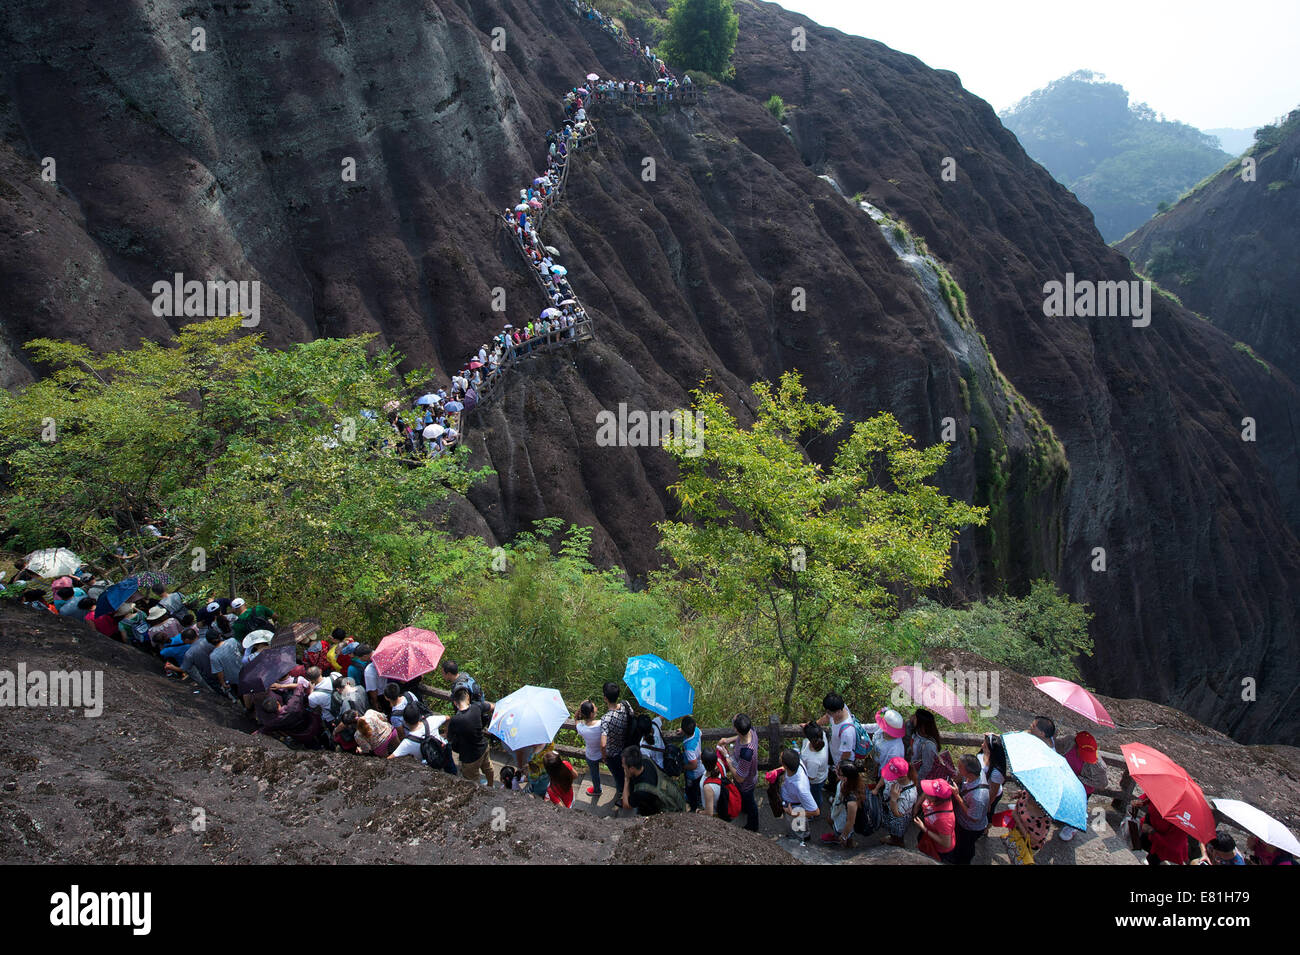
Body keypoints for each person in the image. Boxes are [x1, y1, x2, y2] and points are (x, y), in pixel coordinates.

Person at [944, 755, 990, 864]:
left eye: (960, 767)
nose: (957, 768)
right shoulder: (979, 773)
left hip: (970, 827)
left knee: (965, 847)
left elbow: (973, 817)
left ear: (969, 773)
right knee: (960, 843)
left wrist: (957, 795)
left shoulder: (978, 797)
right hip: (962, 820)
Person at [447, 685, 495, 786]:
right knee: (488, 768)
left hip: (469, 756)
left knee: (472, 780)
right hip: (483, 746)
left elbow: (450, 738)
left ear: (455, 703)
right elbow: (492, 707)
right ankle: (491, 785)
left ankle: (478, 794)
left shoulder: (455, 720)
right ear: (468, 698)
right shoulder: (477, 707)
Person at [719, 713, 760, 832]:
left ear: (736, 729)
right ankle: (744, 808)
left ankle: (753, 826)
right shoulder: (750, 730)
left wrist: (726, 756)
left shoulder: (747, 752)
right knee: (746, 800)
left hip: (746, 783)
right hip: (751, 775)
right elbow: (740, 736)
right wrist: (728, 740)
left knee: (750, 803)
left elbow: (740, 777)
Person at [823, 760, 878, 848]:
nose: (835, 771)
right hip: (838, 811)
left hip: (842, 821)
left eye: (838, 771)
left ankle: (847, 842)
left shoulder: (852, 800)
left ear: (845, 778)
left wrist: (844, 836)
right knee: (831, 821)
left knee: (841, 833)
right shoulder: (845, 783)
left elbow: (850, 822)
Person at [1132, 793, 1188, 865]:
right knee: (1140, 846)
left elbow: (1171, 843)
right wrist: (1142, 801)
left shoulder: (1181, 820)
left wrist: (1151, 831)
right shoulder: (1165, 792)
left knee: (1153, 859)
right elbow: (1152, 794)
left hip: (1166, 843)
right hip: (1151, 827)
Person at [774, 748, 820, 837]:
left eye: (781, 757)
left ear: (786, 766)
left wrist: (794, 813)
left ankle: (800, 840)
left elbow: (816, 811)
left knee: (797, 830)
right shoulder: (797, 763)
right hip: (790, 802)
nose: (780, 756)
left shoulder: (800, 787)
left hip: (795, 808)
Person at [600, 682, 633, 799]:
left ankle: (622, 794)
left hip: (613, 754)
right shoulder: (626, 705)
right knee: (626, 772)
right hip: (625, 747)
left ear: (605, 698)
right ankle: (627, 789)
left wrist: (604, 756)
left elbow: (603, 744)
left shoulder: (606, 719)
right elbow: (632, 716)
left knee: (618, 776)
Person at [878, 756, 917, 846]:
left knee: (896, 833)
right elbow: (884, 777)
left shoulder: (910, 794)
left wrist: (893, 799)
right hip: (888, 809)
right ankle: (892, 837)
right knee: (890, 828)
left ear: (902, 777)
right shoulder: (896, 776)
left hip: (898, 817)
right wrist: (877, 788)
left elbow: (897, 814)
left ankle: (896, 841)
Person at [916, 778, 958, 861]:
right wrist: (917, 805)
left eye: (929, 793)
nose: (925, 793)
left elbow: (946, 843)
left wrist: (924, 829)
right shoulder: (941, 798)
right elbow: (926, 792)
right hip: (929, 835)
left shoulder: (944, 820)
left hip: (938, 849)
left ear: (936, 799)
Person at [574, 700, 607, 800]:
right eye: (594, 707)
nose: (596, 707)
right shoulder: (602, 723)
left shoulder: (581, 728)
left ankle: (597, 790)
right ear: (592, 713)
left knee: (594, 774)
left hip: (591, 755)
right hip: (604, 753)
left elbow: (576, 719)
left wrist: (580, 708)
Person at [799, 721, 829, 810]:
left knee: (815, 796)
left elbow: (811, 777)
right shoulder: (821, 735)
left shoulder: (813, 759)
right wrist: (807, 726)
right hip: (822, 773)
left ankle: (815, 811)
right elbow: (816, 728)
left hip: (815, 782)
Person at [681, 715, 705, 811]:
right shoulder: (697, 731)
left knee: (691, 791)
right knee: (697, 789)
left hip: (693, 774)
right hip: (701, 768)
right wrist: (683, 730)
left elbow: (693, 765)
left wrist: (684, 767)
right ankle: (698, 801)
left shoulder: (689, 748)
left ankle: (693, 807)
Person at [909, 708, 942, 779]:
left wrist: (916, 781)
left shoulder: (928, 745)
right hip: (912, 771)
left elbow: (926, 768)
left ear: (922, 724)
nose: (913, 717)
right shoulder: (916, 733)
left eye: (915, 717)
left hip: (918, 778)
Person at [981, 733, 1007, 815]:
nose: (982, 746)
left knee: (986, 815)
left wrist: (988, 803)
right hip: (984, 789)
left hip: (991, 795)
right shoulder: (985, 755)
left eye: (985, 746)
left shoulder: (997, 772)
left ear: (991, 751)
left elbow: (994, 791)